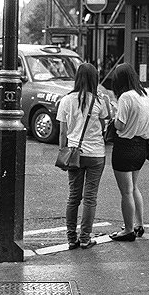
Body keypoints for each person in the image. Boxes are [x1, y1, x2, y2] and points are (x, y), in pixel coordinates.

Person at [56, 63, 110, 250]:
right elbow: (105, 124)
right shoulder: (99, 101)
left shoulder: (66, 100)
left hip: (74, 154)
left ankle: (71, 238)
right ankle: (85, 238)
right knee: (90, 198)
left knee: (73, 197)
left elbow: (62, 132)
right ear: (95, 79)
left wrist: (62, 151)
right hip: (96, 154)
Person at [108, 63, 149, 242]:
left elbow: (120, 125)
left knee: (126, 192)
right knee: (134, 187)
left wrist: (113, 117)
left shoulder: (125, 97)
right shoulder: (148, 93)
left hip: (124, 147)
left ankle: (128, 230)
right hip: (142, 148)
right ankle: (139, 225)